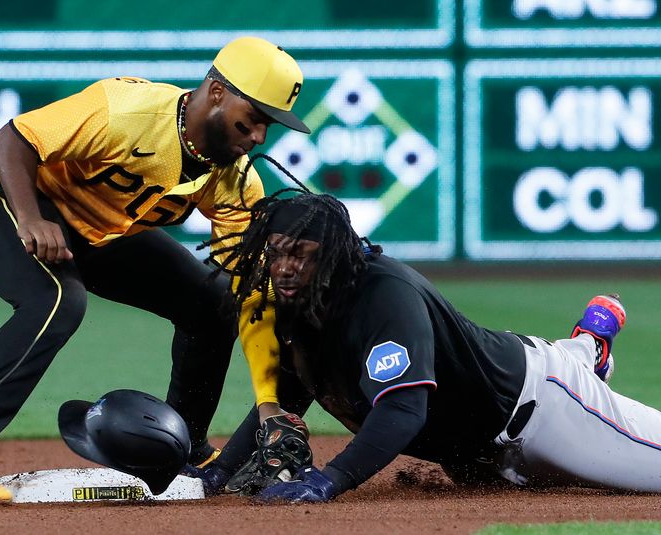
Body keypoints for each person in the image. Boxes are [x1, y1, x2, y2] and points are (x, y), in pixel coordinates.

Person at [0, 36, 311, 506]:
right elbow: (14, 137)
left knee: (215, 300)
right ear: (217, 92)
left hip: (98, 229)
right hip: (6, 187)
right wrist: (32, 219)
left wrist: (268, 403)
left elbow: (249, 296)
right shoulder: (128, 111)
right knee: (56, 301)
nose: (258, 136)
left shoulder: (236, 179)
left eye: (268, 125)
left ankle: (181, 449)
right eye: (254, 117)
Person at [193, 190, 661, 501]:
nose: (284, 267)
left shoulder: (384, 295)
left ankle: (583, 354)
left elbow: (402, 410)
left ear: (334, 252)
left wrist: (329, 480)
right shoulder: (299, 304)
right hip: (478, 457)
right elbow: (289, 393)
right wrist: (217, 472)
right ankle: (589, 345)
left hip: (546, 412)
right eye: (276, 252)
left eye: (300, 253)